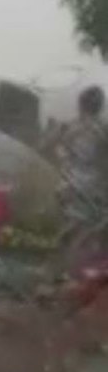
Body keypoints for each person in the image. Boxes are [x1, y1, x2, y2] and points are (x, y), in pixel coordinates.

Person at [48, 86, 108, 254]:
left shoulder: (69, 126)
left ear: (81, 104)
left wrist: (64, 157)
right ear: (100, 107)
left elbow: (52, 146)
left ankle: (60, 260)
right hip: (91, 186)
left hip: (68, 183)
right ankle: (69, 265)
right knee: (83, 230)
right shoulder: (103, 129)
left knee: (71, 226)